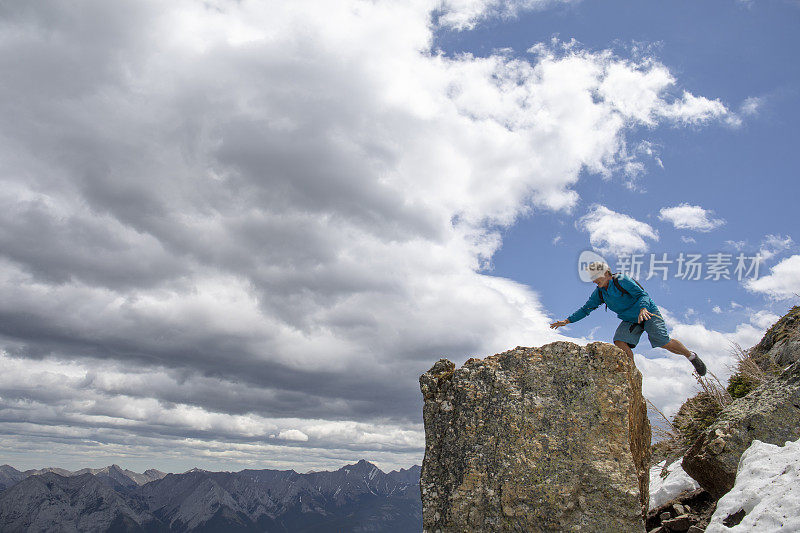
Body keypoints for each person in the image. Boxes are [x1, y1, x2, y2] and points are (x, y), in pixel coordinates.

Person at [550, 261, 707, 376]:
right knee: (619, 341)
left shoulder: (621, 280)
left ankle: (690, 355)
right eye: (591, 277)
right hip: (631, 319)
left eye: (595, 276)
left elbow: (642, 294)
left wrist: (643, 308)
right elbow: (586, 309)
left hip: (647, 312)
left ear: (606, 273)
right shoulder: (599, 293)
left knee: (663, 342)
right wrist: (567, 321)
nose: (593, 280)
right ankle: (632, 373)